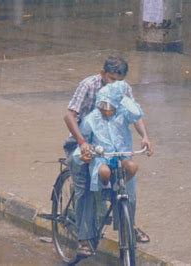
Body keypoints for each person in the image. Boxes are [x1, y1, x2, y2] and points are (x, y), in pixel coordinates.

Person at [63, 56, 153, 257]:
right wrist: (83, 144)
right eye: (111, 78)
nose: (115, 83)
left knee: (128, 184)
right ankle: (84, 238)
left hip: (111, 148)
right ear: (102, 74)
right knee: (84, 188)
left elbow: (134, 116)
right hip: (82, 143)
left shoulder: (123, 88)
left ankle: (128, 227)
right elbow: (69, 116)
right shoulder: (88, 85)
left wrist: (144, 136)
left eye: (119, 80)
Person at [71, 81, 143, 192]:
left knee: (132, 167)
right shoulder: (91, 119)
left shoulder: (123, 115)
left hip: (121, 155)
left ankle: (120, 185)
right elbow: (83, 140)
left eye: (110, 107)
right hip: (100, 157)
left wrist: (123, 98)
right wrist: (82, 154)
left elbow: (137, 114)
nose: (106, 110)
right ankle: (105, 188)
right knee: (105, 172)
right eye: (103, 106)